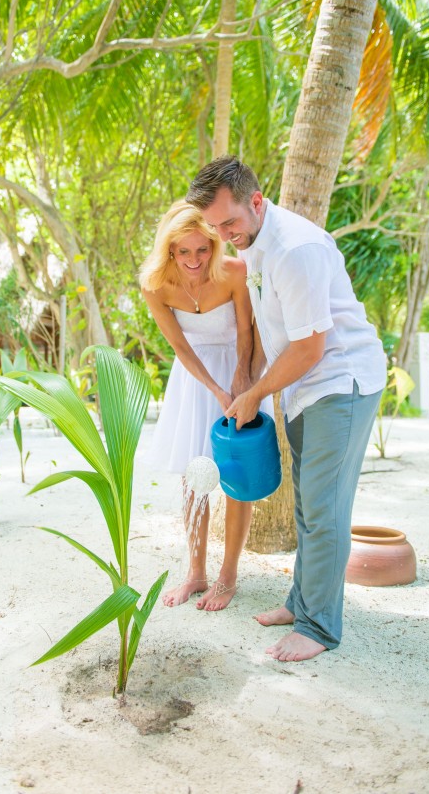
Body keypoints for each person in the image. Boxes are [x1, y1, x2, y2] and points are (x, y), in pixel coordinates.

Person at [186, 156, 387, 660]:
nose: (224, 234)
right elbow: (268, 331)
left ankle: (318, 628)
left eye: (228, 222)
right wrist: (245, 380)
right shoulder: (253, 242)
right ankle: (302, 603)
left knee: (325, 509)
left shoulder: (295, 249)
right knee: (307, 506)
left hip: (340, 384)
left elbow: (309, 348)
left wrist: (255, 395)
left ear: (256, 201)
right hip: (303, 388)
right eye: (214, 226)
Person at [140, 200, 269, 611]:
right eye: (184, 251)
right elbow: (179, 346)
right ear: (170, 251)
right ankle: (196, 574)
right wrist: (214, 388)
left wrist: (242, 382)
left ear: (213, 245)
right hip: (194, 379)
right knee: (195, 479)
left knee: (236, 478)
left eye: (203, 249)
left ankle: (227, 578)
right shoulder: (155, 285)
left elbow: (248, 330)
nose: (195, 259)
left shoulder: (234, 271)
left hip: (238, 369)